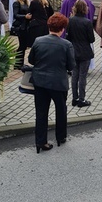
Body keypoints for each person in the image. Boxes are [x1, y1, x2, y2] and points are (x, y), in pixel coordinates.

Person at [28, 13, 75, 153]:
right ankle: (60, 137)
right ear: (62, 29)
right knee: (61, 110)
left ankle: (40, 142)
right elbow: (71, 65)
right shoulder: (66, 44)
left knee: (41, 112)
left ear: (49, 26)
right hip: (58, 83)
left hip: (40, 82)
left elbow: (31, 60)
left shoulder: (38, 41)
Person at [66, 0, 95, 107]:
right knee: (82, 76)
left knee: (74, 76)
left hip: (73, 51)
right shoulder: (87, 22)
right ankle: (82, 99)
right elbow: (91, 39)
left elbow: (67, 37)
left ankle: (74, 98)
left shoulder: (70, 20)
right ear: (84, 9)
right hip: (85, 52)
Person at [12, 0, 31, 69]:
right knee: (22, 45)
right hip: (20, 26)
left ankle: (20, 63)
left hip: (26, 26)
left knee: (24, 45)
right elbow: (15, 15)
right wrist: (25, 16)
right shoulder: (16, 3)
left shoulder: (26, 2)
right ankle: (18, 64)